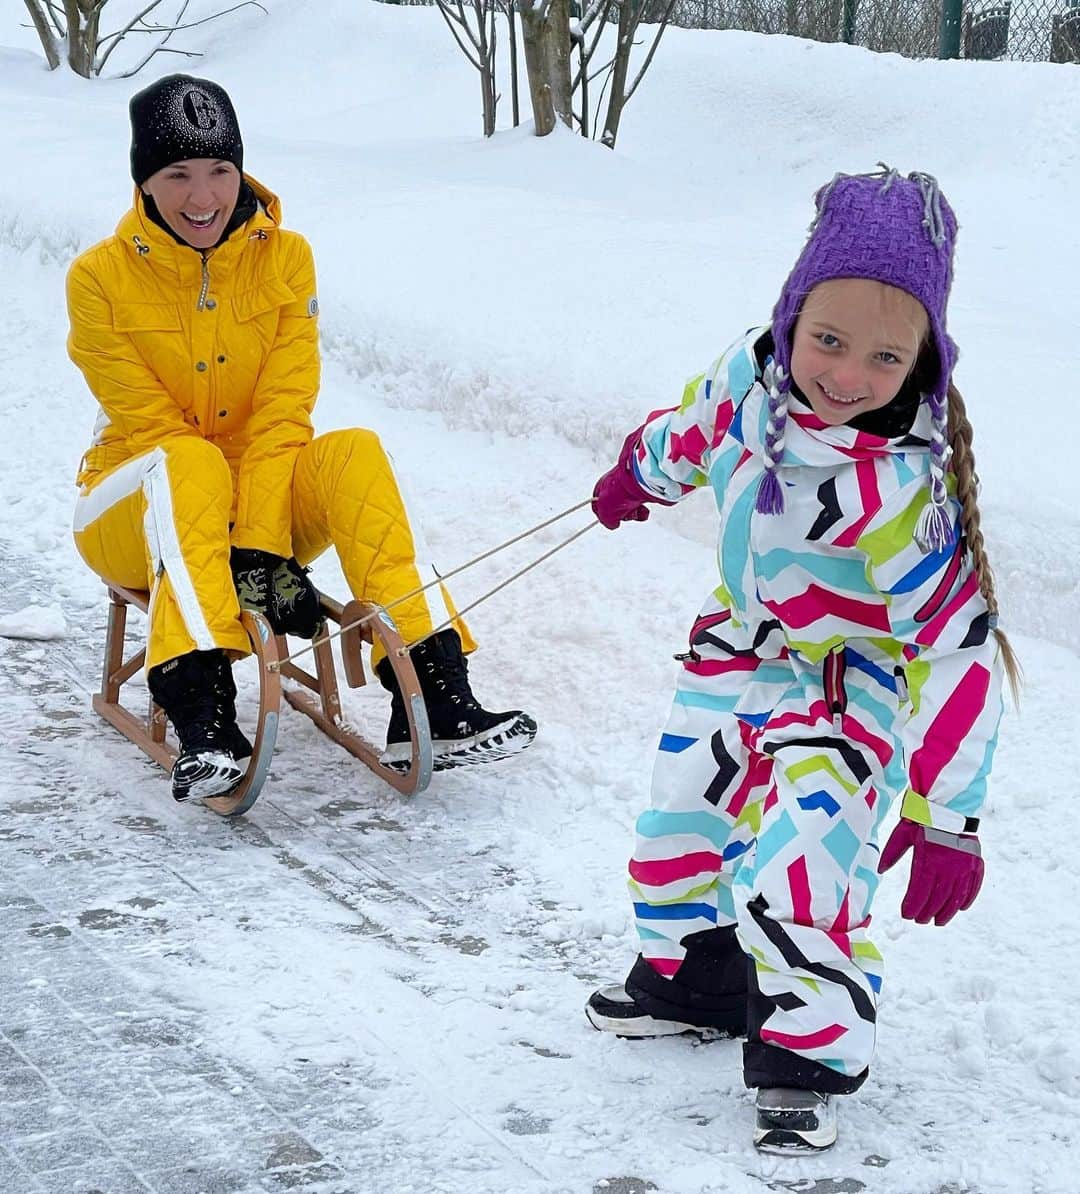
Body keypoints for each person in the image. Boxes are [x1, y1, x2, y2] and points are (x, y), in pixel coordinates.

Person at [584, 167, 1018, 1154]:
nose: (846, 374)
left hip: (847, 685)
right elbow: (697, 424)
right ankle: (695, 978)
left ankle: (805, 1051)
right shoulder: (752, 372)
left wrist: (948, 815)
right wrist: (641, 472)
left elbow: (959, 653)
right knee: (677, 819)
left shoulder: (904, 493)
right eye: (827, 339)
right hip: (738, 650)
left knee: (802, 866)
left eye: (883, 355)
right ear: (791, 316)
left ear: (922, 359)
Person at [67, 74, 536, 802]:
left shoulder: (285, 258)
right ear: (145, 182)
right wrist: (243, 548)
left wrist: (257, 540)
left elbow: (286, 406)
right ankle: (203, 707)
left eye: (220, 170)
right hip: (132, 507)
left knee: (353, 449)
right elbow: (152, 426)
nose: (203, 196)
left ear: (241, 170)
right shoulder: (96, 278)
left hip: (254, 503)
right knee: (186, 456)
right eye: (178, 174)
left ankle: (434, 688)